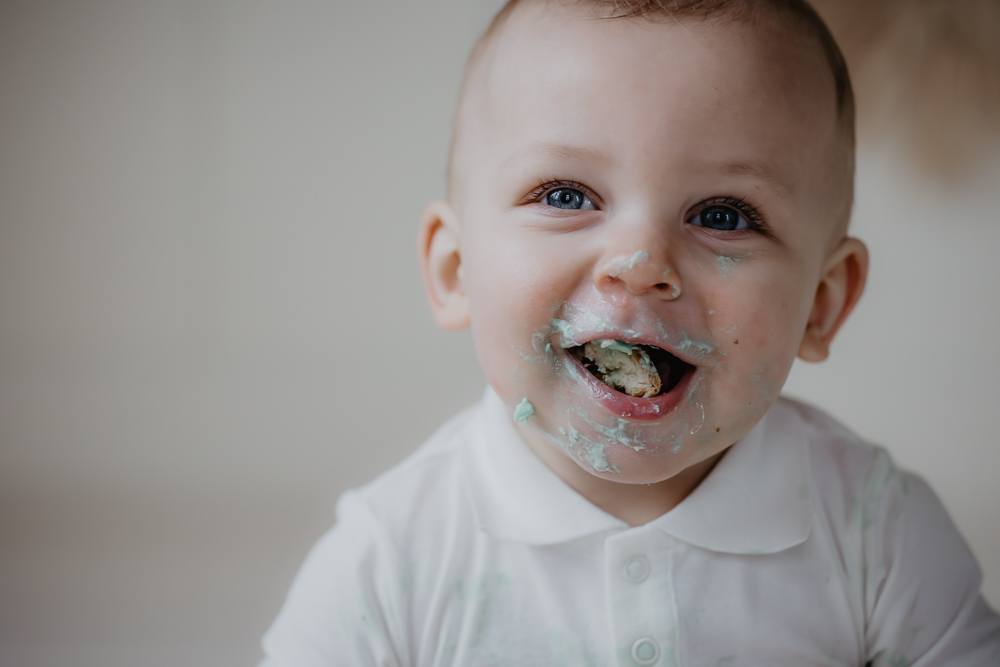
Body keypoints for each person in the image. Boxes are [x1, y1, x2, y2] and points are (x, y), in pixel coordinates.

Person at [260, 1, 1000, 664]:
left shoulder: (878, 535)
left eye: (722, 215)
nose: (640, 265)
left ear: (820, 302)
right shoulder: (389, 563)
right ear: (457, 270)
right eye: (566, 195)